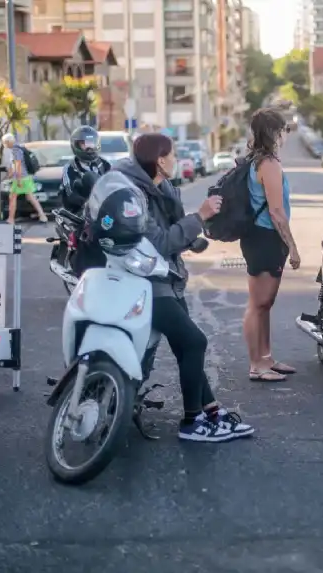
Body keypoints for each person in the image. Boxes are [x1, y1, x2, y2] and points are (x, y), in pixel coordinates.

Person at [87, 132, 254, 442]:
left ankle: (212, 413)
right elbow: (160, 242)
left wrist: (195, 237)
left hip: (166, 279)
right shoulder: (133, 194)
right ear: (161, 161)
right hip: (146, 281)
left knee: (186, 346)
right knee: (193, 342)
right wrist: (200, 216)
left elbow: (170, 230)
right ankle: (192, 423)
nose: (177, 160)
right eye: (173, 155)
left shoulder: (159, 186)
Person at [241, 108, 300, 383]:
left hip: (259, 237)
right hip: (265, 237)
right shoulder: (269, 165)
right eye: (284, 129)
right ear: (274, 133)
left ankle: (266, 358)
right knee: (258, 304)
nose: (286, 135)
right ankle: (256, 365)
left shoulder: (259, 160)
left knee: (265, 304)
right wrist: (294, 247)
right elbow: (277, 212)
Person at [61, 126, 111, 214]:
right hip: (80, 209)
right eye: (85, 144)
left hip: (105, 206)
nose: (89, 148)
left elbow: (116, 183)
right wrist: (87, 204)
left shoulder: (105, 164)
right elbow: (70, 194)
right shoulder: (69, 167)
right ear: (76, 145)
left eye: (91, 143)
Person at [2, 133, 48, 224]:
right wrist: (9, 176)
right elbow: (14, 166)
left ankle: (11, 219)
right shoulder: (19, 148)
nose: (4, 145)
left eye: (4, 143)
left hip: (21, 177)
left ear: (8, 142)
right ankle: (42, 215)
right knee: (30, 196)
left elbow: (18, 165)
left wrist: (18, 179)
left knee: (12, 197)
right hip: (26, 177)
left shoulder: (15, 150)